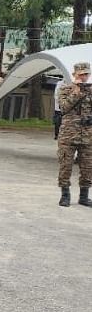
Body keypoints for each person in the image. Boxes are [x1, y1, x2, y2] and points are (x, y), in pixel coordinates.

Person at [56, 62, 92, 207]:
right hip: (68, 135)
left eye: (86, 74)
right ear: (74, 75)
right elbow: (64, 108)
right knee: (66, 166)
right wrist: (76, 91)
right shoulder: (65, 89)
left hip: (88, 136)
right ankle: (65, 195)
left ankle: (84, 196)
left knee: (88, 167)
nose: (84, 77)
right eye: (81, 74)